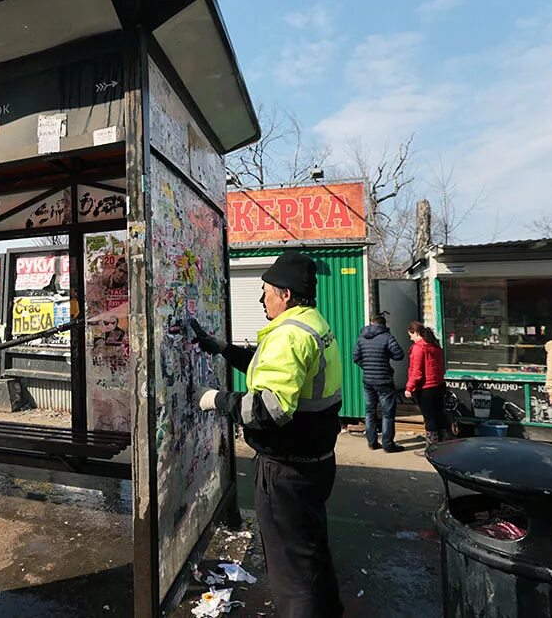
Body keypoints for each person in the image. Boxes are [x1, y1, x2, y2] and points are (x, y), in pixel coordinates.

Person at [191, 251, 343, 618]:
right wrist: (224, 349)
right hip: (316, 462)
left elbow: (270, 408)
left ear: (285, 294)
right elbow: (271, 365)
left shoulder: (288, 335)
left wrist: (215, 400)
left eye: (265, 291)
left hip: (287, 470)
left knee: (290, 571)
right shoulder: (311, 324)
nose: (261, 299)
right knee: (310, 551)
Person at [352, 314, 405, 452]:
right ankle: (388, 445)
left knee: (370, 412)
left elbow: (355, 358)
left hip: (368, 380)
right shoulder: (387, 337)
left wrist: (368, 366)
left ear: (371, 323)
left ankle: (372, 442)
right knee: (388, 414)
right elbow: (399, 355)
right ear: (383, 325)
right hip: (384, 381)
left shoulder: (362, 338)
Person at [405, 321, 450, 446]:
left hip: (425, 388)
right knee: (440, 414)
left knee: (429, 418)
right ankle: (446, 442)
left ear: (416, 333)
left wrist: (409, 388)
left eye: (411, 335)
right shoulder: (434, 345)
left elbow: (417, 371)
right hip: (439, 385)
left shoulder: (419, 348)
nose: (410, 338)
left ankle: (432, 446)